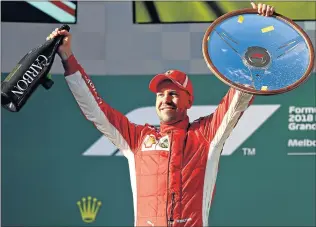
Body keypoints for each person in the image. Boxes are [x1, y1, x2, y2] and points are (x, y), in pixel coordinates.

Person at [48, 2, 275, 226]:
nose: (165, 99)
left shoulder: (206, 135)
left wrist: (257, 34)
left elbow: (238, 98)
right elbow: (95, 109)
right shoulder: (136, 139)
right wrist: (68, 58)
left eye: (173, 93)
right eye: (160, 94)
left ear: (189, 100)